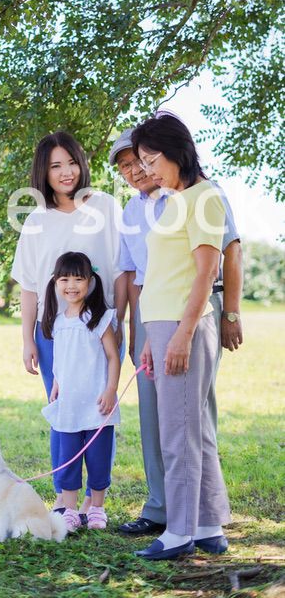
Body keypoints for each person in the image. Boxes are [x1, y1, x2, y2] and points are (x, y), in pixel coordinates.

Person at [108, 129, 243, 537]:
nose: (136, 171)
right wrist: (135, 330)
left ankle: (201, 519)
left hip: (193, 310)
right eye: (128, 167)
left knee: (192, 415)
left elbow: (228, 253)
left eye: (143, 160)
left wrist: (230, 314)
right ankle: (163, 507)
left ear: (164, 155)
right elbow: (133, 276)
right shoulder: (131, 212)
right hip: (155, 315)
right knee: (157, 415)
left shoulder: (199, 194)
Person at [131, 113, 231, 561]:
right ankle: (209, 524)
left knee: (178, 434)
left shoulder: (204, 197)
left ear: (177, 152)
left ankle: (179, 532)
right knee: (193, 431)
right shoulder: (177, 199)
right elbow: (165, 275)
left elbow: (207, 272)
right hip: (164, 325)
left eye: (152, 159)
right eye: (142, 161)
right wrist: (155, 339)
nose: (147, 170)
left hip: (182, 325)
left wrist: (181, 336)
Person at [11, 131, 126, 513]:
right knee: (64, 414)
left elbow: (121, 270)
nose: (66, 172)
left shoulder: (106, 206)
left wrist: (120, 320)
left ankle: (97, 503)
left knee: (97, 414)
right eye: (56, 165)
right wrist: (27, 339)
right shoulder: (36, 222)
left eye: (72, 162)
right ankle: (65, 498)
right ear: (43, 172)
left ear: (82, 163)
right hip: (52, 335)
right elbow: (29, 287)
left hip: (99, 332)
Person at [40, 251, 121, 532]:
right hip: (70, 405)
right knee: (68, 460)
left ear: (90, 281)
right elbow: (61, 359)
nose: (71, 285)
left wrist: (111, 390)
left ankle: (97, 509)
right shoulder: (58, 320)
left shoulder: (97, 317)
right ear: (55, 282)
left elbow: (113, 357)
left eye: (78, 278)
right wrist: (57, 383)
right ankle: (71, 511)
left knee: (98, 460)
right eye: (64, 279)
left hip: (97, 403)